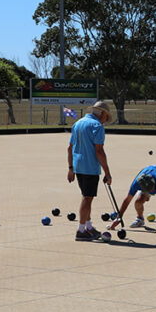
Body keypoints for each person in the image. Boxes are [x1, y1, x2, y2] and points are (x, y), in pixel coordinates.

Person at [68, 100, 113, 241]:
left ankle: (88, 226)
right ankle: (81, 230)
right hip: (90, 167)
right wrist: (107, 172)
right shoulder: (97, 126)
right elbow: (99, 151)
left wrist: (70, 168)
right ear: (103, 114)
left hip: (78, 166)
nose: (106, 121)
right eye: (106, 117)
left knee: (87, 197)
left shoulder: (78, 123)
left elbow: (70, 148)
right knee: (87, 198)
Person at [108, 165, 156, 235]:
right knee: (138, 202)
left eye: (152, 189)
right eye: (149, 190)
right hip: (148, 177)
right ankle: (140, 219)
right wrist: (119, 217)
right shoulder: (136, 184)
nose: (152, 192)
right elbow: (127, 200)